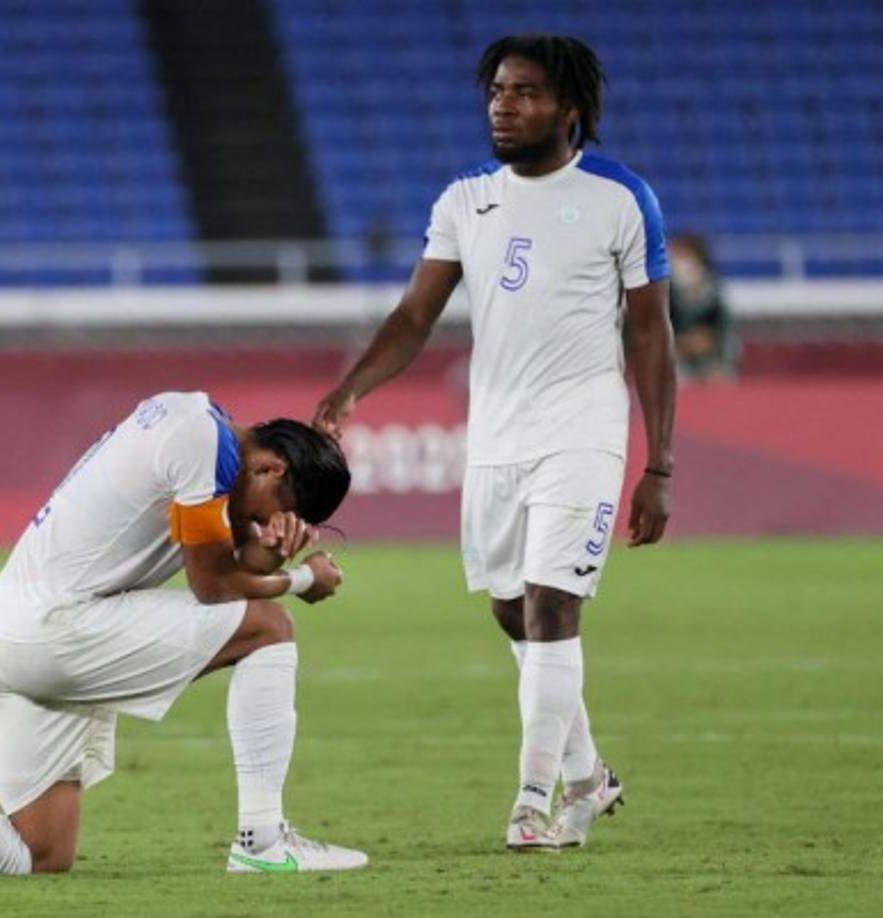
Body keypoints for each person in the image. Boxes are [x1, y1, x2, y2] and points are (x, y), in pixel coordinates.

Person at [314, 35, 677, 851]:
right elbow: (414, 317)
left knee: (553, 605)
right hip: (496, 438)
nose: (503, 106)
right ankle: (588, 776)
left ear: (570, 109)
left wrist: (657, 465)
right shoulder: (464, 201)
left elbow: (651, 337)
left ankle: (531, 804)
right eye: (497, 92)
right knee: (513, 612)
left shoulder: (621, 199)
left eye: (525, 93)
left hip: (581, 432)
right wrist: (349, 390)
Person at [0, 392, 368, 877]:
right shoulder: (204, 445)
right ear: (271, 468)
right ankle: (263, 841)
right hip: (57, 630)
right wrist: (299, 578)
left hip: (8, 632)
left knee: (38, 851)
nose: (274, 521)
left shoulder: (198, 430)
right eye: (283, 511)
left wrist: (267, 551)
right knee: (270, 627)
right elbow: (214, 586)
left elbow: (231, 563)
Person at [667, 233, 739, 380]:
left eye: (683, 257)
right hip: (678, 366)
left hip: (713, 366)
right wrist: (684, 343)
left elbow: (726, 336)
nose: (678, 263)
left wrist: (713, 347)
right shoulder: (667, 296)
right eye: (675, 258)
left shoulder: (714, 296)